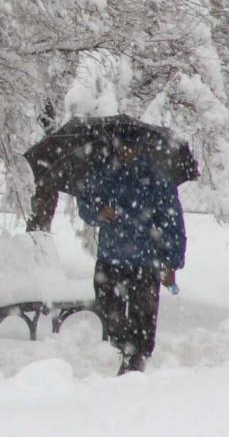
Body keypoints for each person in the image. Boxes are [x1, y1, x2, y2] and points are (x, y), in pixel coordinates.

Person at [77, 136, 186, 375]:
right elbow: (84, 201)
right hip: (110, 258)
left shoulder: (156, 178)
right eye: (121, 146)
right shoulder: (104, 173)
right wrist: (99, 213)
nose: (125, 151)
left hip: (145, 261)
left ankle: (136, 359)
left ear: (140, 148)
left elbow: (173, 223)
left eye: (131, 146)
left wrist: (172, 263)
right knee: (109, 309)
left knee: (143, 316)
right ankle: (127, 348)